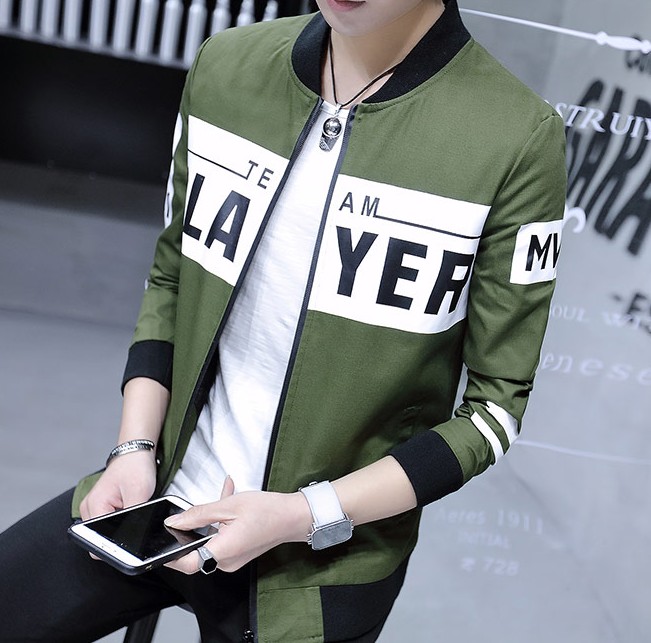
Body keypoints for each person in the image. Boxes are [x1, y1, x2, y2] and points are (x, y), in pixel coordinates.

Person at [0, 0, 567, 641]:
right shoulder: (228, 64)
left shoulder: (515, 137)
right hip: (155, 502)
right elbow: (172, 277)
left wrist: (303, 514)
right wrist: (133, 450)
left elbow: (492, 412)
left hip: (318, 565)